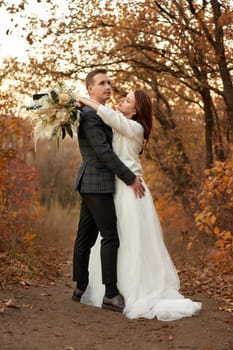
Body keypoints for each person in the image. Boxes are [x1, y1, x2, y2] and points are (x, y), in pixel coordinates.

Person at [75, 89, 202, 321]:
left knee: (131, 237)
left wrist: (84, 99)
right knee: (116, 237)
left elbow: (108, 116)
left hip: (132, 188)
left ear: (135, 110)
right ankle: (115, 286)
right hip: (119, 186)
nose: (121, 101)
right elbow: (103, 120)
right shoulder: (123, 123)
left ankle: (135, 288)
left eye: (127, 100)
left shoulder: (135, 128)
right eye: (123, 98)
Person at [72, 69, 145, 313]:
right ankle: (111, 294)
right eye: (102, 83)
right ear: (90, 89)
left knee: (86, 236)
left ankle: (80, 288)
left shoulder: (98, 114)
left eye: (109, 82)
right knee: (110, 237)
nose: (108, 86)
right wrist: (130, 177)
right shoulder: (91, 117)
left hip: (93, 183)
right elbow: (104, 153)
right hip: (97, 182)